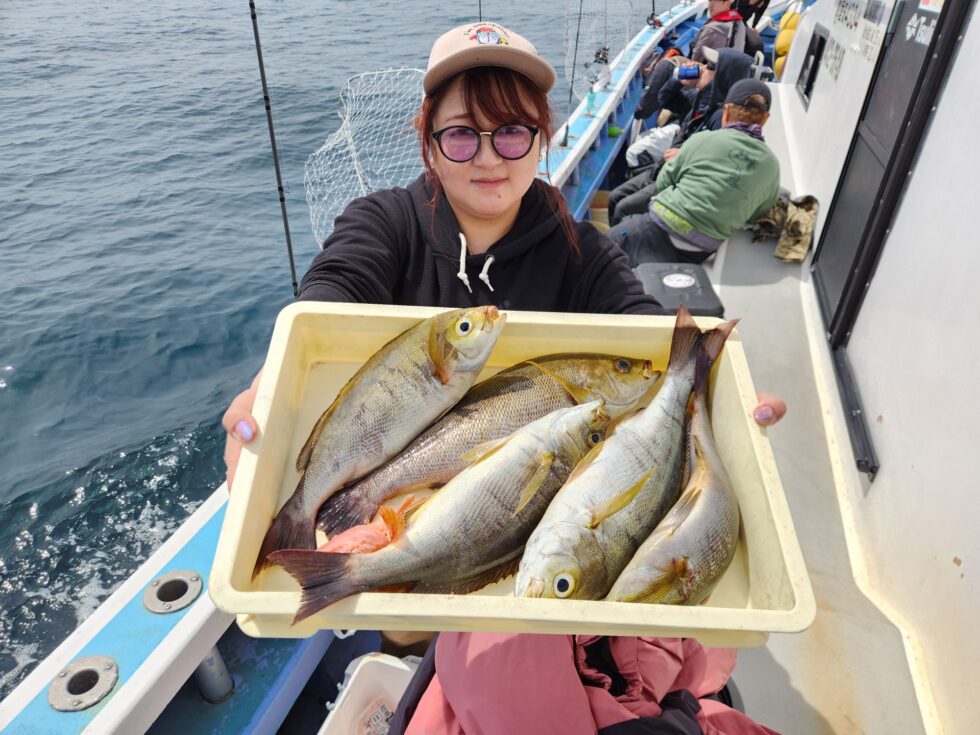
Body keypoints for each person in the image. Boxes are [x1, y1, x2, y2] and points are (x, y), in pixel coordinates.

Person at [222, 20, 787, 733]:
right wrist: (265, 386)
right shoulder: (386, 223)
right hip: (417, 544)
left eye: (512, 133)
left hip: (519, 549)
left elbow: (646, 336)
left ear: (542, 137)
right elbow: (330, 294)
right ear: (427, 138)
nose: (489, 157)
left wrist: (725, 399)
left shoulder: (585, 252)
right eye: (462, 134)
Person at [609, 78, 780, 267]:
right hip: (700, 250)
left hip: (659, 227)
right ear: (765, 119)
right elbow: (759, 212)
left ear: (727, 111)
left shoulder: (703, 139)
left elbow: (664, 182)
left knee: (597, 253)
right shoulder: (772, 165)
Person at [610, 47, 755, 225]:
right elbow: (664, 99)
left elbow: (723, 162)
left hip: (681, 181)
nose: (702, 68)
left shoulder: (722, 118)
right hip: (665, 169)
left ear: (722, 76)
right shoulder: (700, 99)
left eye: (709, 66)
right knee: (615, 198)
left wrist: (687, 156)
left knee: (622, 208)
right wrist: (678, 82)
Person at [632, 0, 762, 124]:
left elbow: (696, 60)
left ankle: (642, 111)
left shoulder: (713, 29)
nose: (710, 5)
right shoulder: (739, 22)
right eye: (709, 1)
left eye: (714, 1)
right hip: (727, 78)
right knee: (673, 54)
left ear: (728, 2)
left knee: (667, 65)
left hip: (710, 79)